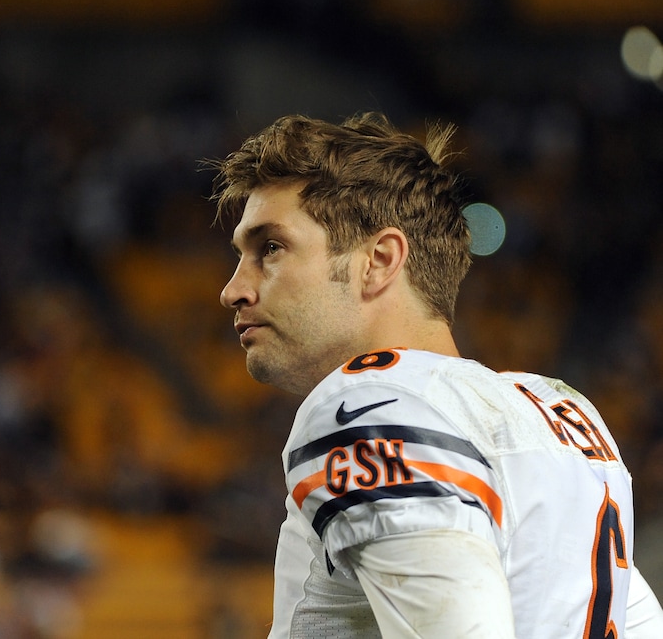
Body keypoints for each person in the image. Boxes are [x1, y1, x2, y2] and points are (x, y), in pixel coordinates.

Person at [209, 112, 663, 638]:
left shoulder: (368, 402)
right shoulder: (562, 413)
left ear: (379, 260)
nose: (233, 289)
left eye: (270, 248)